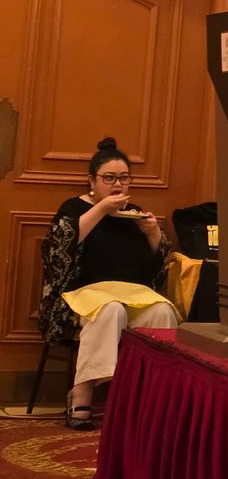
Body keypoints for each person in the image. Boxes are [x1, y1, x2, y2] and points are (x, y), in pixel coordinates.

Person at [40, 138, 178, 431]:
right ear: (92, 181)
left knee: (162, 311)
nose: (118, 185)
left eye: (124, 178)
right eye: (110, 178)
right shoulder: (74, 208)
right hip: (82, 295)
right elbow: (60, 249)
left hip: (132, 294)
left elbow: (155, 265)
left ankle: (150, 397)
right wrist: (102, 208)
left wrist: (153, 233)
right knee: (110, 309)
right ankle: (83, 391)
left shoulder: (133, 213)